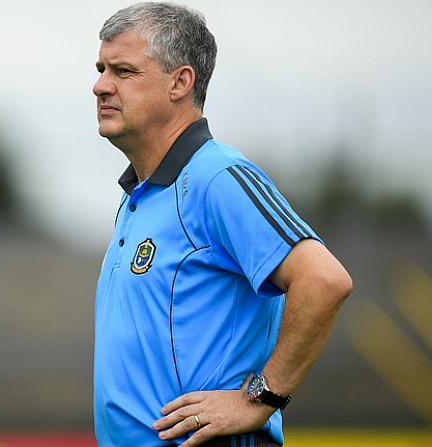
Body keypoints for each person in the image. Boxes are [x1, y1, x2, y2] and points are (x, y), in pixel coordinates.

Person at [91, 3, 353, 447]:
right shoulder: (139, 192)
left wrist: (258, 399)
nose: (100, 86)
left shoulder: (218, 177)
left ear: (180, 82)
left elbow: (324, 280)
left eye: (124, 71)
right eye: (101, 68)